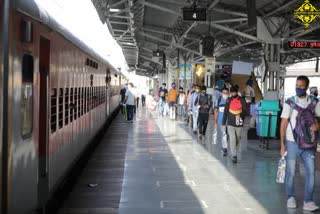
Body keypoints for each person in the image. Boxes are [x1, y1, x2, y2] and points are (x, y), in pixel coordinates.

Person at [280, 76, 320, 211]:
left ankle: (308, 201)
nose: (298, 88)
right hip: (292, 142)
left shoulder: (314, 103)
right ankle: (290, 197)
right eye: (296, 85)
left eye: (301, 86)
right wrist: (282, 144)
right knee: (290, 171)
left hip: (309, 144)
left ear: (307, 87)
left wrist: (317, 125)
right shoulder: (290, 103)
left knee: (311, 172)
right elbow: (284, 123)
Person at [222, 85, 247, 163]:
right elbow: (225, 112)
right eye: (231, 92)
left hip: (239, 123)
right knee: (232, 138)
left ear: (237, 92)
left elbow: (245, 111)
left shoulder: (242, 100)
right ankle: (234, 155)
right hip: (230, 122)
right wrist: (223, 123)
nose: (233, 94)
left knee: (238, 138)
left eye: (234, 92)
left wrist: (241, 115)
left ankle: (234, 149)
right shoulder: (228, 100)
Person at [214, 87, 229, 156]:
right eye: (224, 93)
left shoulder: (229, 101)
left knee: (227, 135)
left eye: (226, 93)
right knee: (224, 134)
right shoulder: (219, 101)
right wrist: (215, 122)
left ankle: (224, 146)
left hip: (229, 121)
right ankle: (224, 148)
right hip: (221, 121)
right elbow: (216, 112)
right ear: (221, 93)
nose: (225, 94)